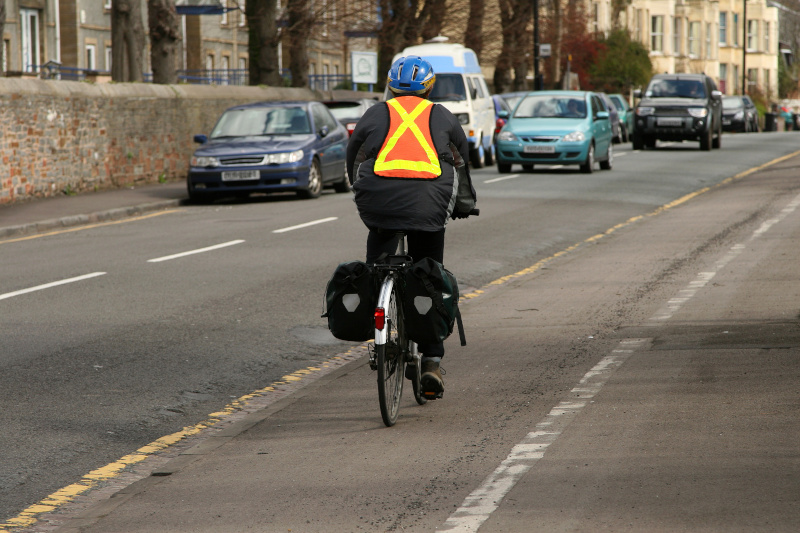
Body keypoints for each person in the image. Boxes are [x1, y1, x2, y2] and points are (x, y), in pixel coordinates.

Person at [346, 55, 477, 400]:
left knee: (378, 263)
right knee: (428, 273)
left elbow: (354, 157)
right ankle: (432, 360)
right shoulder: (443, 116)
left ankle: (381, 322)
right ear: (429, 88)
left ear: (390, 86)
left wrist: (359, 192)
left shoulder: (374, 114)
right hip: (429, 206)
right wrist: (464, 205)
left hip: (378, 203)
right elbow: (461, 165)